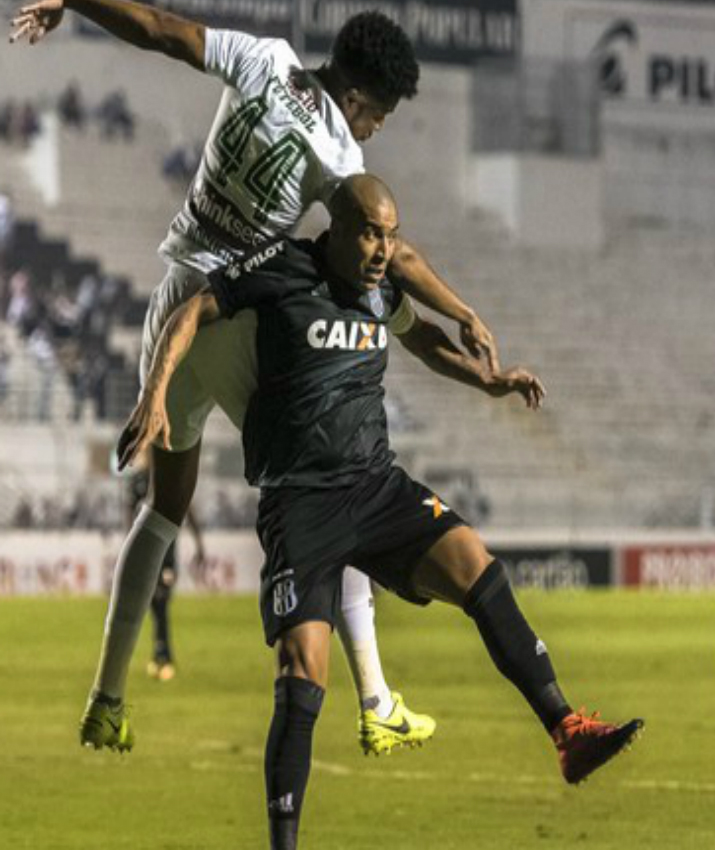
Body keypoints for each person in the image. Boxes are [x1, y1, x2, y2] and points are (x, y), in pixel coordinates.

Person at [10, 0, 498, 756]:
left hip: (173, 300)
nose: (373, 133)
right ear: (363, 99)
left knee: (163, 509)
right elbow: (392, 255)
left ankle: (106, 698)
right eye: (380, 118)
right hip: (229, 312)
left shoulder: (264, 57)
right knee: (338, 475)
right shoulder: (340, 150)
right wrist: (462, 308)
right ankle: (375, 699)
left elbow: (163, 32)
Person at [118, 174, 643, 849]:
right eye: (369, 231)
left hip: (376, 486)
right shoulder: (280, 272)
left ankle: (566, 729)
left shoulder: (381, 290)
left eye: (390, 235)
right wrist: (155, 393)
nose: (380, 248)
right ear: (334, 227)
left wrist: (490, 380)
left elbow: (422, 341)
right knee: (304, 674)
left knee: (478, 566)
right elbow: (189, 309)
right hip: (301, 501)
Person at [122, 451, 205, 681]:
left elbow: (189, 510)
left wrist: (200, 545)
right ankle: (162, 654)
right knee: (155, 602)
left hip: (166, 552)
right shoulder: (137, 481)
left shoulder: (171, 477)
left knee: (161, 599)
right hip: (145, 553)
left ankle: (162, 655)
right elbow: (128, 517)